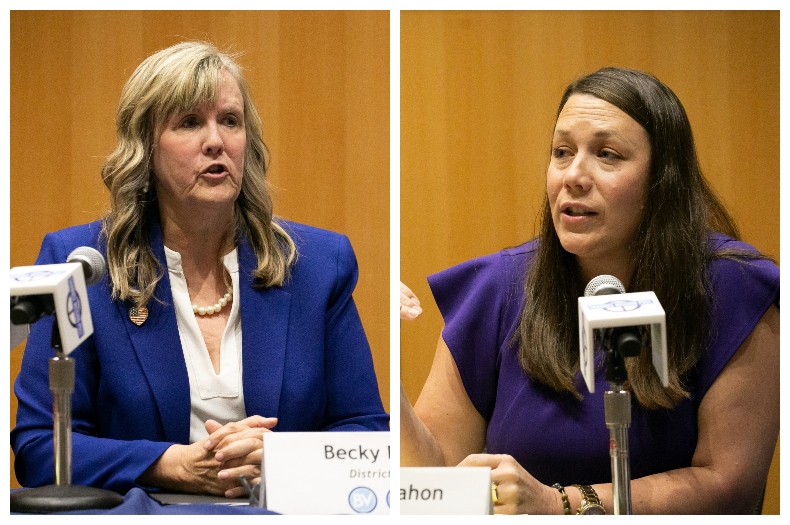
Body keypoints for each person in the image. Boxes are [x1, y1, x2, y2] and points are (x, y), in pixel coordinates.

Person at [12, 41, 388, 499]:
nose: (216, 140)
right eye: (189, 122)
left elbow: (367, 433)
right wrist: (171, 464)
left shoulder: (315, 264)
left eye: (229, 120)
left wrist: (285, 457)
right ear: (144, 147)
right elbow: (38, 448)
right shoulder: (81, 264)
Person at [400, 67, 779, 514]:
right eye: (561, 152)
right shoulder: (499, 288)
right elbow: (438, 480)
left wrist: (559, 504)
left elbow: (728, 486)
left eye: (608, 155)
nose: (573, 175)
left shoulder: (731, 286)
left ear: (663, 180)